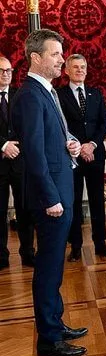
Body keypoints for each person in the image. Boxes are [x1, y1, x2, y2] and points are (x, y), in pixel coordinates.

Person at [11, 29, 88, 356]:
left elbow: (50, 140)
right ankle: (49, 339)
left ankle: (55, 322)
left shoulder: (46, 91)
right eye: (56, 54)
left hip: (60, 189)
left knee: (55, 265)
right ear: (36, 58)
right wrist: (50, 198)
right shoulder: (29, 95)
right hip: (51, 197)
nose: (62, 60)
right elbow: (34, 153)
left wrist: (69, 143)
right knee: (48, 267)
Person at [57, 54, 106, 261]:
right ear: (66, 71)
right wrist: (78, 147)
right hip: (71, 156)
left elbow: (103, 124)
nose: (80, 70)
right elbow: (60, 126)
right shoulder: (59, 95)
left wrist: (91, 145)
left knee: (97, 200)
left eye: (83, 67)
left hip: (95, 155)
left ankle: (101, 243)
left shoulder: (95, 94)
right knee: (72, 201)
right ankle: (75, 245)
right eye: (75, 67)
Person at [0, 56, 35, 270]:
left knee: (26, 210)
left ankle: (28, 253)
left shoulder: (20, 96)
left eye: (9, 70)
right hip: (0, 163)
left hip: (21, 162)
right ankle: (1, 256)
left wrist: (17, 146)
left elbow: (30, 126)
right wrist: (4, 145)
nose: (5, 74)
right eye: (1, 70)